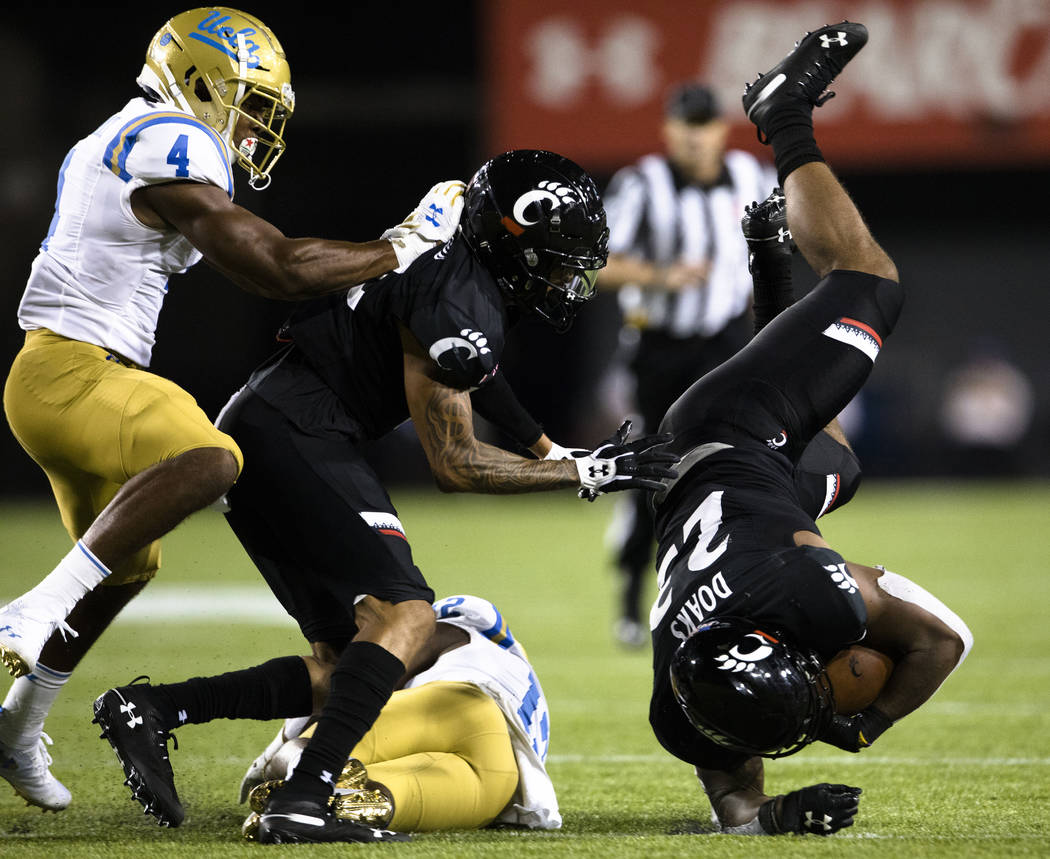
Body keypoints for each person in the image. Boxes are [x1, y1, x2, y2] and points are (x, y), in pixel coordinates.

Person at [90, 148, 678, 843]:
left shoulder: (465, 261)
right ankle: (304, 798)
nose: (563, 276)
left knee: (352, 664)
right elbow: (455, 463)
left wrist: (553, 449)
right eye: (552, 258)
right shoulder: (460, 297)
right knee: (408, 617)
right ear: (513, 244)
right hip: (298, 432)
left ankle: (151, 707)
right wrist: (581, 475)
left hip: (276, 421)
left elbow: (480, 374)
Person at [0, 7, 466, 812]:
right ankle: (32, 606)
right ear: (198, 79)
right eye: (248, 102)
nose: (254, 126)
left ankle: (15, 728)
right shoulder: (169, 135)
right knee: (214, 456)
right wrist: (402, 245)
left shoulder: (124, 138)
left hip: (59, 380)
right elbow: (274, 266)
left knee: (125, 566)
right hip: (70, 374)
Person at [645, 22, 973, 836]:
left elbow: (945, 639)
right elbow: (736, 810)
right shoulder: (680, 698)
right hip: (728, 482)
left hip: (728, 433)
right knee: (840, 467)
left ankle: (784, 113)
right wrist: (772, 817)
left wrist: (857, 725)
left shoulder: (804, 593)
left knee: (871, 280)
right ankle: (770, 279)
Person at [597, 81, 778, 647]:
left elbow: (776, 247)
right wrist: (660, 276)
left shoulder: (754, 178)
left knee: (737, 460)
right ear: (669, 129)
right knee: (652, 466)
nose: (696, 137)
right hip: (661, 345)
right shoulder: (642, 184)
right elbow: (593, 263)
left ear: (721, 130)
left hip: (725, 340)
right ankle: (632, 595)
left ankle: (732, 591)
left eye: (705, 125)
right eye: (686, 125)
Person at [238, 593, 559, 838]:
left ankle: (294, 805)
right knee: (367, 801)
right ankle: (318, 810)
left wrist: (278, 764)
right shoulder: (495, 658)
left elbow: (360, 688)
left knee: (301, 762)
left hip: (455, 709)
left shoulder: (429, 631)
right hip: (495, 781)